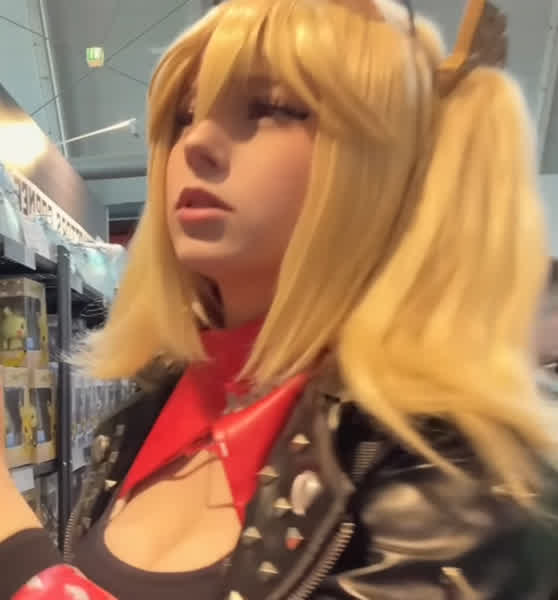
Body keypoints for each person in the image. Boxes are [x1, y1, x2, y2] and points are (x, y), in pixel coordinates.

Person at [1, 0, 557, 598]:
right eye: (184, 116)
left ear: (390, 166)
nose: (197, 143)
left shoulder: (463, 466)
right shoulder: (148, 413)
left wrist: (14, 539)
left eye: (270, 108)